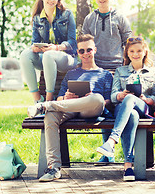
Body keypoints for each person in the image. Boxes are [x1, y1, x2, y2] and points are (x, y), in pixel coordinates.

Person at [27, 34, 113, 182]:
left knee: (97, 98)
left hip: (92, 109)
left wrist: (89, 98)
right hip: (70, 109)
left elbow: (109, 102)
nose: (85, 54)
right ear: (78, 53)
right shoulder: (72, 73)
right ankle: (54, 168)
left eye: (89, 50)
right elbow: (60, 97)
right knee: (51, 115)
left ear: (95, 50)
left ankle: (46, 105)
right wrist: (65, 98)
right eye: (81, 51)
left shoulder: (105, 75)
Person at [82, 0, 132, 165]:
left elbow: (129, 43)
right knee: (103, 106)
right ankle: (107, 152)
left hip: (117, 69)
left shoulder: (120, 17)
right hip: (97, 70)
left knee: (116, 106)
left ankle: (125, 151)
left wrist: (124, 68)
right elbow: (85, 44)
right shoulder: (89, 19)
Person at [96, 36, 155, 181]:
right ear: (127, 53)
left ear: (144, 52)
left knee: (132, 100)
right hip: (123, 109)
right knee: (131, 115)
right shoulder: (120, 71)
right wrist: (120, 95)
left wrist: (147, 99)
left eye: (139, 51)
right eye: (132, 51)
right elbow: (112, 95)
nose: (135, 54)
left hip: (144, 108)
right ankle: (128, 166)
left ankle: (112, 141)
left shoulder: (153, 72)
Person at [20, 0, 77, 103]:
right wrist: (35, 48)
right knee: (25, 54)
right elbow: (34, 42)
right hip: (47, 58)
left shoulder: (67, 14)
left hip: (67, 58)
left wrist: (56, 48)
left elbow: (73, 42)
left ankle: (49, 100)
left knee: (49, 54)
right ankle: (38, 100)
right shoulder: (37, 18)